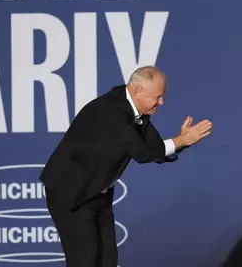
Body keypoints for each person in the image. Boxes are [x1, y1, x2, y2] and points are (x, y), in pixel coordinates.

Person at [39, 65, 213, 267]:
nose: (162, 102)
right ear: (139, 91)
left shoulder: (137, 111)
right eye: (158, 96)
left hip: (99, 195)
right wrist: (180, 141)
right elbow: (143, 153)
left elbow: (155, 150)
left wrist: (183, 142)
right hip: (72, 194)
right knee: (85, 262)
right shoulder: (112, 110)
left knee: (107, 262)